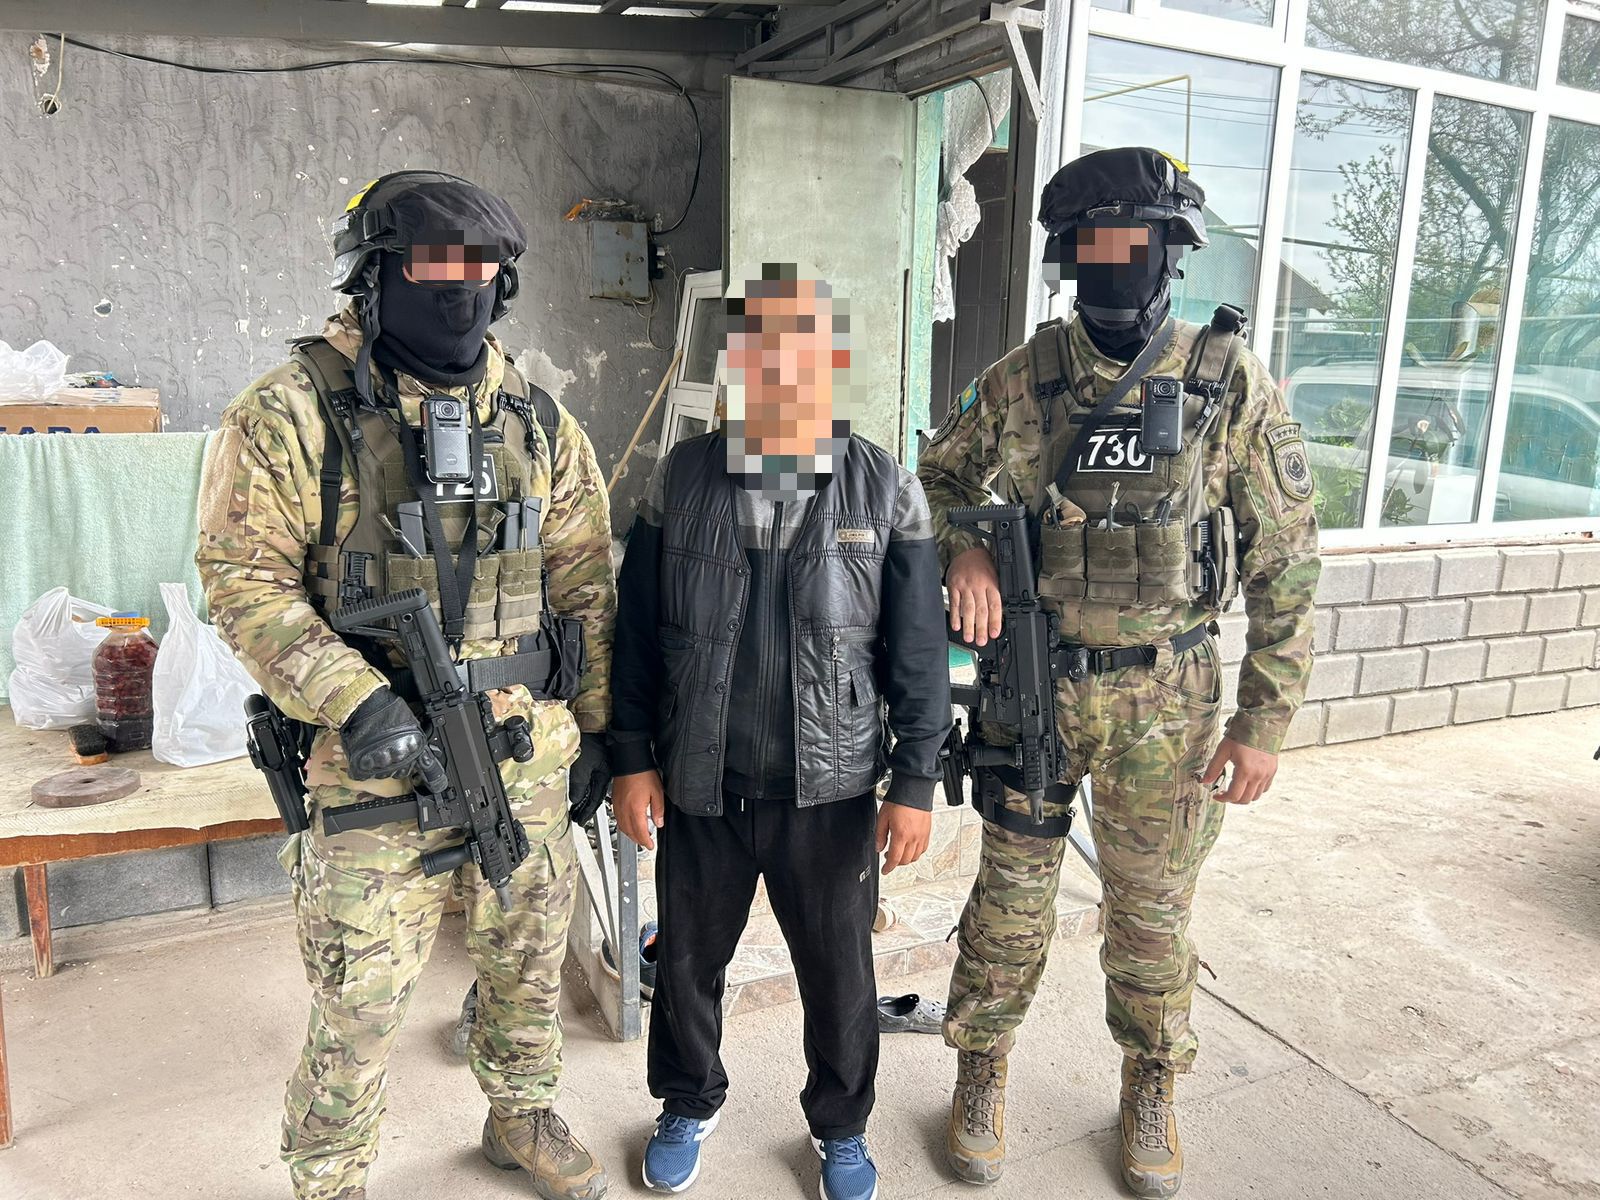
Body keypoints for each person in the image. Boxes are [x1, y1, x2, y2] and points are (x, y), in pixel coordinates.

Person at [196, 170, 617, 1200]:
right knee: (363, 993)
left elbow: (585, 584)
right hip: (371, 763)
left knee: (526, 961)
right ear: (373, 276)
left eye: (482, 271)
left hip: (521, 754)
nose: (460, 290)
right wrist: (355, 696)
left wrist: (601, 727)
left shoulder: (538, 422)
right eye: (434, 267)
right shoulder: (290, 413)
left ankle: (519, 1114)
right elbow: (241, 578)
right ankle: (330, 1173)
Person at [918, 147, 1321, 1198]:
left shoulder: (1226, 381)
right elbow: (937, 476)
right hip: (1035, 690)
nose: (1117, 264)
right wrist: (965, 549)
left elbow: (1285, 559)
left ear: (1170, 253)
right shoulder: (1023, 376)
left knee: (1151, 914)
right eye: (1097, 244)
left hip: (1168, 701)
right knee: (1009, 904)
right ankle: (980, 1069)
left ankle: (1152, 1082)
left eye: (1135, 244)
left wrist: (1263, 721)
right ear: (1067, 254)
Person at [608, 264, 952, 1200]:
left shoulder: (885, 487)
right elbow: (636, 634)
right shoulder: (681, 477)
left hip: (829, 790)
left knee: (839, 976)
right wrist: (631, 758)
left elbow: (918, 652)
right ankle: (689, 1100)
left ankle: (841, 1127)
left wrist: (915, 781)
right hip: (703, 776)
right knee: (686, 963)